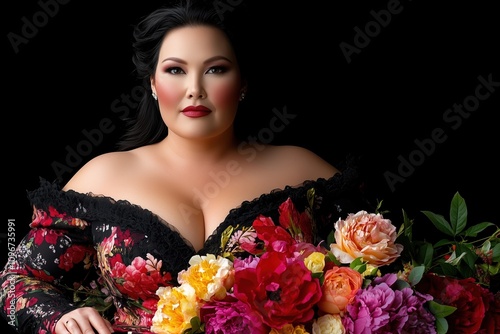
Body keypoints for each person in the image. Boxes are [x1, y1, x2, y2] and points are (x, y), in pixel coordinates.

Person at [0, 0, 371, 333]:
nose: (195, 88)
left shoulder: (305, 172)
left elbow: (388, 282)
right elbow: (18, 279)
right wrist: (61, 318)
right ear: (152, 83)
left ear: (242, 83)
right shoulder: (103, 177)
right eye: (176, 70)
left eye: (216, 70)